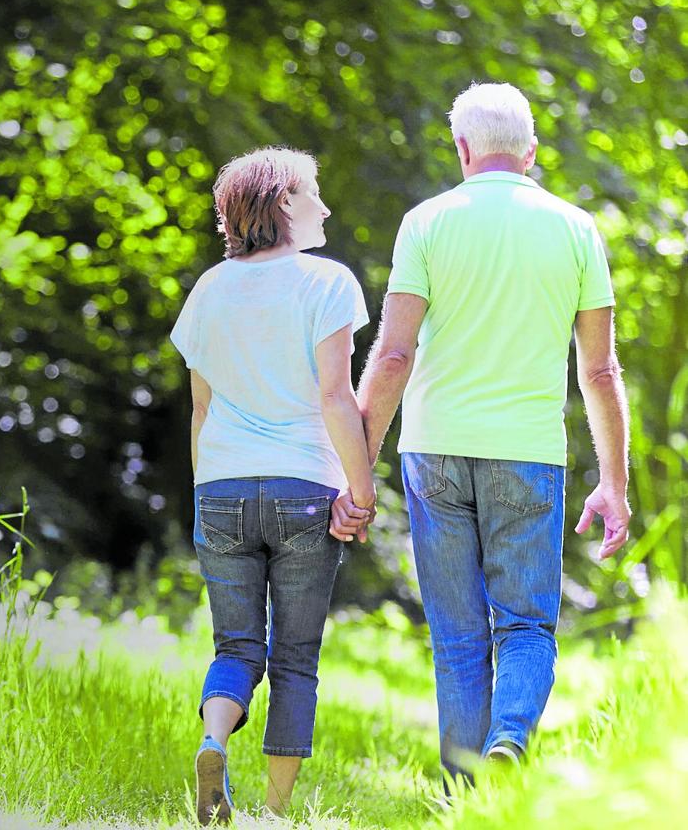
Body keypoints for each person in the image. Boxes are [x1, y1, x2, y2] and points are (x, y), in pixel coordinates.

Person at [346, 81, 631, 785]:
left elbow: (389, 355)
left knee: (457, 637)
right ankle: (508, 739)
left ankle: (461, 789)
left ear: (462, 148)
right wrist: (613, 484)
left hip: (434, 452)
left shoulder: (426, 221)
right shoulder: (574, 229)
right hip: (528, 456)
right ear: (529, 154)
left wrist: (351, 467)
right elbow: (598, 372)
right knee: (526, 627)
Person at [170, 146, 374, 825]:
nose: (325, 206)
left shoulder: (208, 289)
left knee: (234, 648)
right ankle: (275, 810)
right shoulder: (326, 282)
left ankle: (211, 740)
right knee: (294, 657)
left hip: (221, 486)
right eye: (313, 192)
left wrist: (204, 499)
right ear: (284, 202)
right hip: (302, 489)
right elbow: (335, 398)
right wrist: (361, 491)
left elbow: (200, 410)